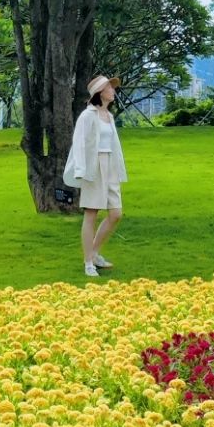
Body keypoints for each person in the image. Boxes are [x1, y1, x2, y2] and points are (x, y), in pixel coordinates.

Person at [62, 73, 128, 278]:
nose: (113, 91)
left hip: (110, 167)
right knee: (91, 214)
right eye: (110, 88)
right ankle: (88, 262)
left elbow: (114, 146)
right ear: (101, 92)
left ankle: (94, 252)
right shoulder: (88, 115)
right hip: (94, 166)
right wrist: (82, 170)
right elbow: (80, 143)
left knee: (115, 213)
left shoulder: (109, 116)